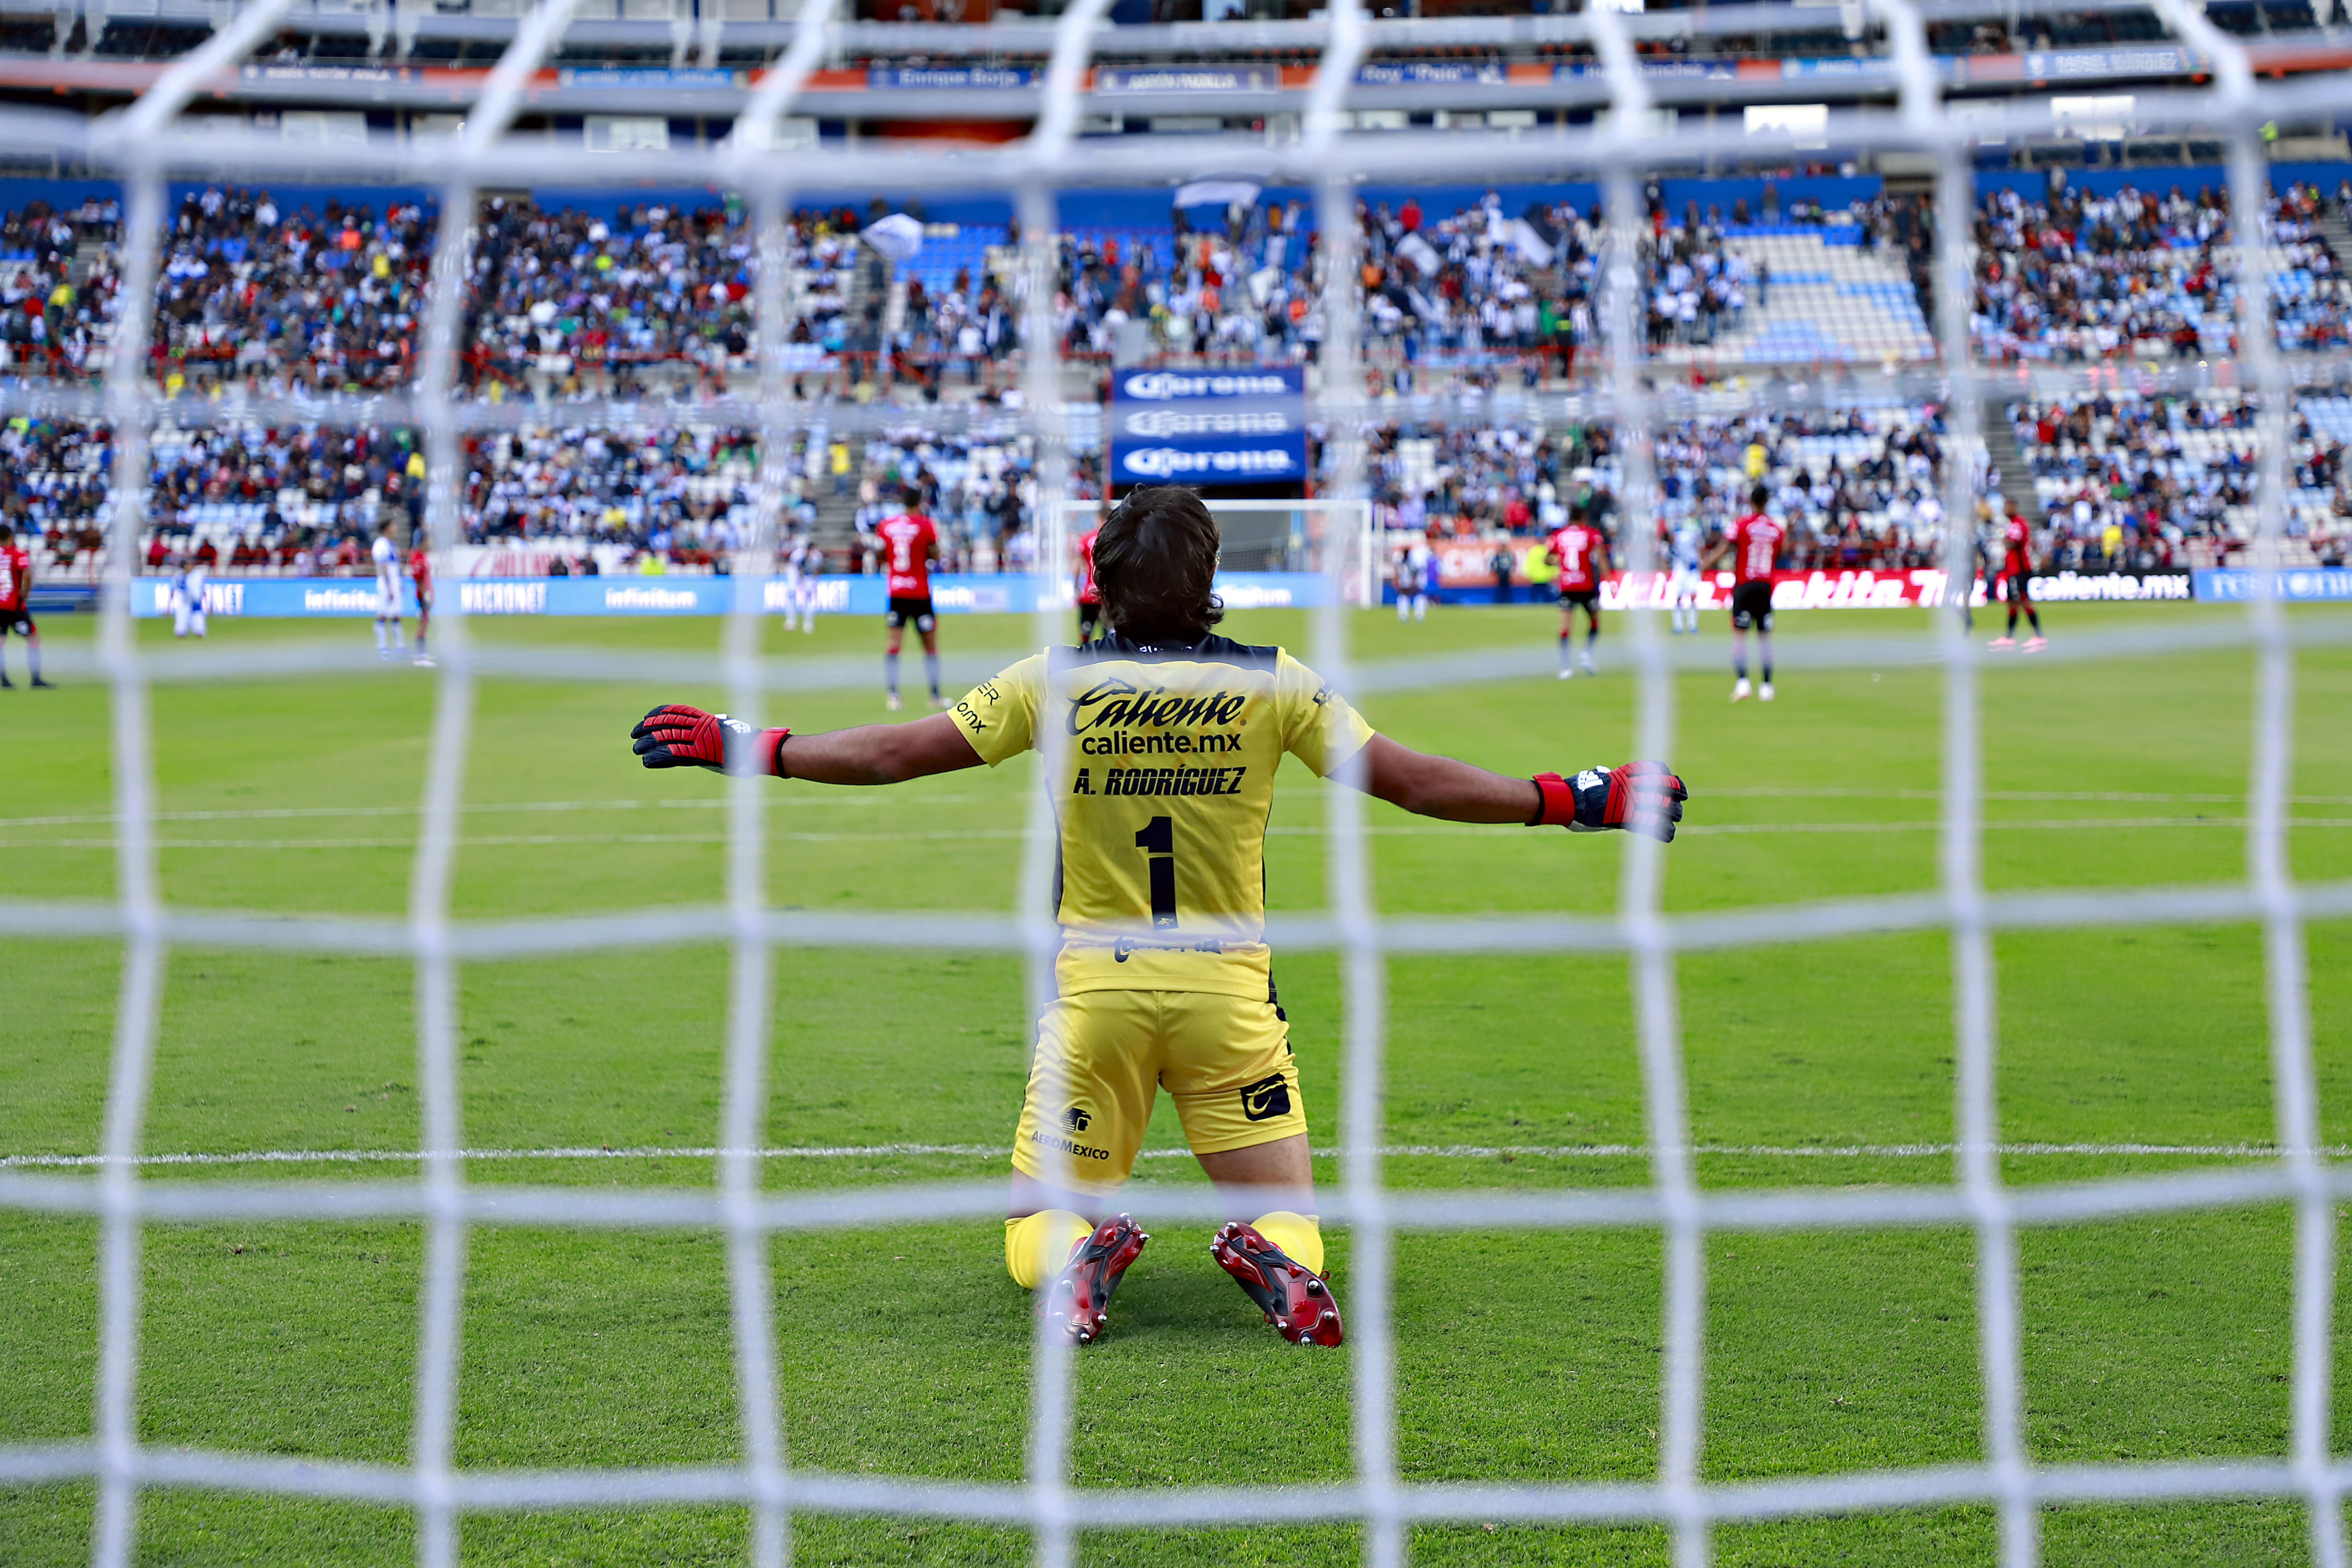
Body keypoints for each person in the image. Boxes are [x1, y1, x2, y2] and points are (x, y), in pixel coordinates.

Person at [626, 487, 1687, 1348]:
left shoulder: (1056, 683)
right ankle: (1275, 1262)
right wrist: (1575, 798)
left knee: (1034, 1221)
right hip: (1229, 993)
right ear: (1212, 585)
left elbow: (896, 753)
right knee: (1295, 1222)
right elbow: (1413, 783)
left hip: (1099, 994)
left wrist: (751, 745)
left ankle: (1079, 1258)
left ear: (1098, 581)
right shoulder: (1278, 687)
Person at [1706, 483, 1783, 702]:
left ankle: (1743, 684)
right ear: (1767, 502)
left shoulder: (1741, 525)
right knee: (1765, 639)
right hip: (1765, 585)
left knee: (1739, 637)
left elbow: (1725, 547)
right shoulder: (1776, 529)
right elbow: (1778, 552)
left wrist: (1706, 564)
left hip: (1745, 584)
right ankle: (1767, 687)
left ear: (1751, 501)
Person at [874, 487, 942, 712]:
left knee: (893, 645)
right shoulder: (926, 525)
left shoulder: (886, 525)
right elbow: (934, 555)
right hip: (920, 592)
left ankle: (893, 696)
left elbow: (881, 556)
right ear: (920, 501)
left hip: (896, 592)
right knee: (930, 646)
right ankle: (935, 697)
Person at [1546, 502, 1608, 678]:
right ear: (1584, 518)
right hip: (1587, 585)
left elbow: (1547, 558)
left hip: (1567, 586)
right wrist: (1609, 581)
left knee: (1565, 628)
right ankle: (1587, 654)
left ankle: (1566, 668)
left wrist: (1559, 560)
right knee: (1595, 622)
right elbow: (1601, 558)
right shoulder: (1591, 534)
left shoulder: (1558, 536)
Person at [1988, 502, 2046, 652]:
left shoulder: (2017, 524)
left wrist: (2001, 536)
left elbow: (2012, 544)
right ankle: (2008, 638)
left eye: (2008, 507)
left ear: (2014, 507)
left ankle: (2039, 637)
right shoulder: (2014, 524)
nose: (2005, 510)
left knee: (2023, 601)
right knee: (2013, 603)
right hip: (2013, 570)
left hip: (2019, 570)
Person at [0, 522, 47, 688]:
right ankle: (36, 679)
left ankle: (4, 681)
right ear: (11, 537)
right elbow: (26, 575)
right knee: (33, 639)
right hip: (14, 606)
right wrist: (25, 592)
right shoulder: (17, 553)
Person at [371, 525, 406, 661]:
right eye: (393, 527)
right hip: (387, 584)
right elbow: (382, 566)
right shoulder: (380, 544)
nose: (396, 529)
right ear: (387, 529)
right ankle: (382, 646)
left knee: (397, 615)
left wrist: (399, 584)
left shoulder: (392, 544)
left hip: (394, 583)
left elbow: (394, 566)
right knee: (383, 614)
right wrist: (389, 586)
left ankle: (400, 645)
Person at [1668, 511, 1704, 634]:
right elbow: (1671, 541)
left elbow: (1700, 548)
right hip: (1681, 567)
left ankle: (1693, 625)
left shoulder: (1695, 536)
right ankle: (1678, 625)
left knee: (1693, 595)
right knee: (1679, 597)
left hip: (1692, 567)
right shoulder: (1680, 535)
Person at [1074, 518, 1103, 643]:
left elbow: (1077, 568)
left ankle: (1084, 661)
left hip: (1088, 594)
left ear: (1099, 519)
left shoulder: (1086, 538)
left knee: (1086, 634)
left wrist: (1076, 589)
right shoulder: (1114, 538)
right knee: (1111, 637)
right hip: (1107, 595)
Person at [409, 536, 435, 668]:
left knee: (425, 621)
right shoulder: (418, 558)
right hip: (422, 595)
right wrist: (426, 595)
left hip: (425, 594)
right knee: (423, 623)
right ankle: (420, 656)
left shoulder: (423, 557)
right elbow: (418, 579)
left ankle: (421, 654)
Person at [1393, 537, 1430, 623]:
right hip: (1406, 582)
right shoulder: (1403, 562)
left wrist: (1413, 581)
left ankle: (1417, 615)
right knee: (1406, 597)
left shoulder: (1411, 562)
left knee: (1415, 596)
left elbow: (1415, 572)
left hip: (1411, 582)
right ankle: (1406, 615)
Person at [172, 556, 207, 640]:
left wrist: (207, 603)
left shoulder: (198, 575)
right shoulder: (179, 576)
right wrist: (169, 606)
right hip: (184, 603)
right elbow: (173, 590)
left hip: (196, 603)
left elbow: (202, 589)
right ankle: (182, 634)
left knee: (200, 629)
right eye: (187, 565)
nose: (189, 567)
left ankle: (199, 633)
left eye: (191, 565)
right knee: (181, 629)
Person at [1488, 541, 1516, 605]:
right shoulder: (1501, 555)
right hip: (1502, 574)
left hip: (1505, 574)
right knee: (1502, 589)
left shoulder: (1506, 555)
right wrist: (1496, 571)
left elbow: (1513, 564)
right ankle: (1501, 602)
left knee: (1506, 589)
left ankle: (1507, 602)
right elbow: (1493, 564)